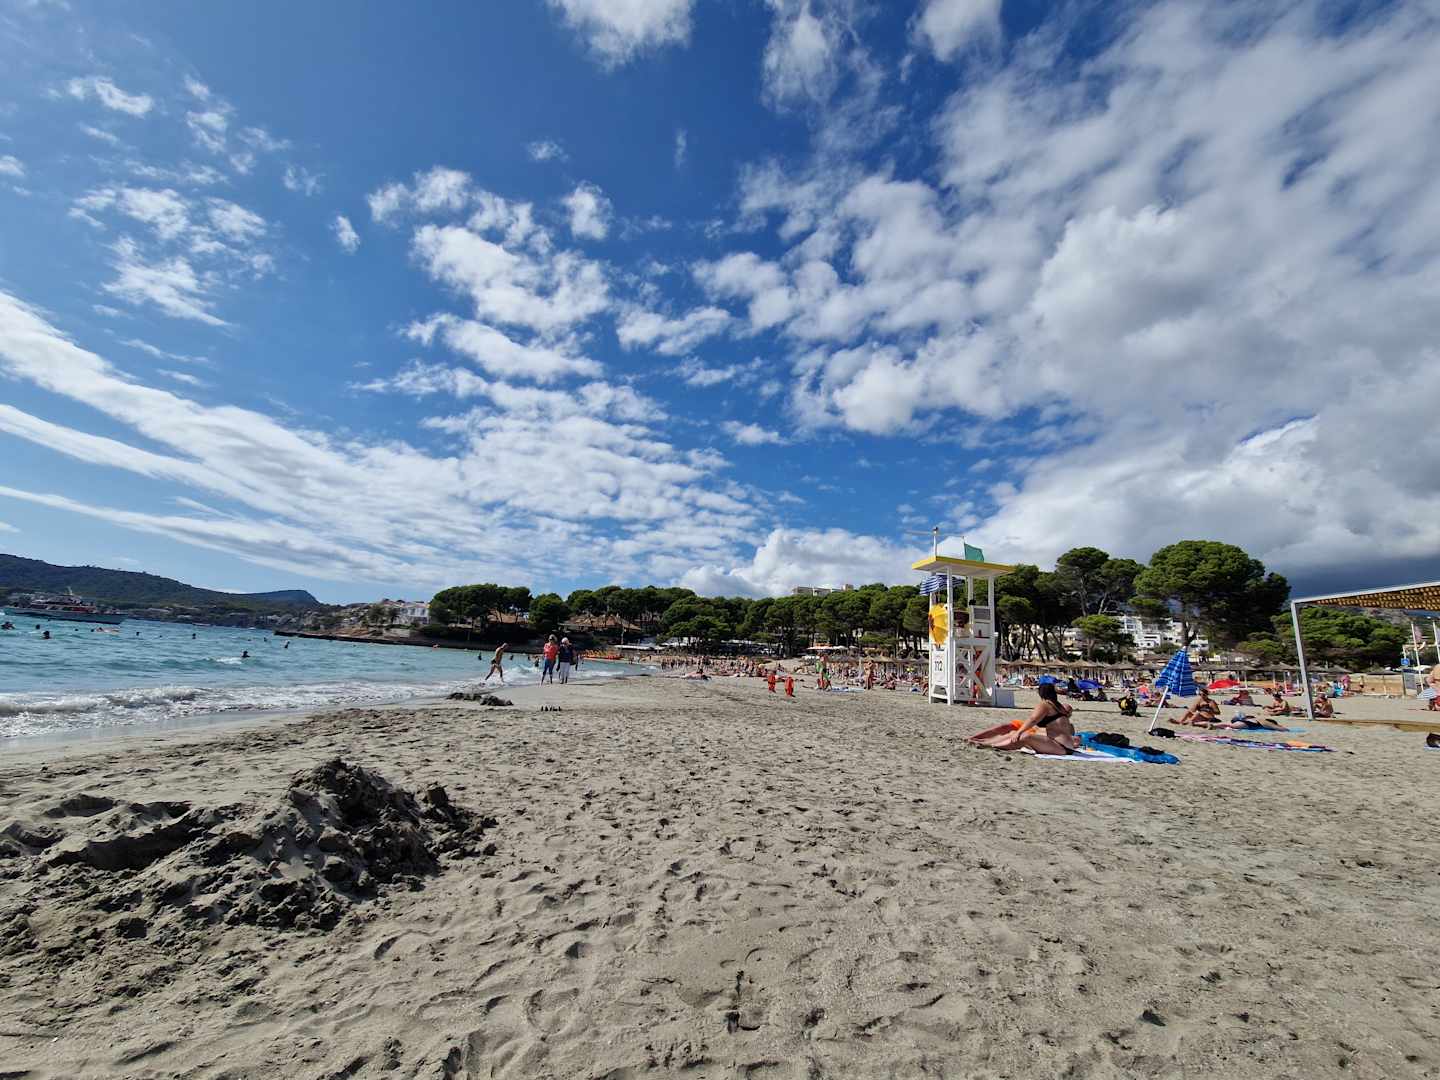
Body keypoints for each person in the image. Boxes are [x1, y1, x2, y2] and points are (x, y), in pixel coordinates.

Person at [968, 683, 1077, 755]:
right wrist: (1017, 732)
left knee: (1024, 736)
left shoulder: (1045, 704)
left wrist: (1019, 732)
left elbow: (1033, 719)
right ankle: (984, 741)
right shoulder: (1059, 706)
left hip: (1060, 747)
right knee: (1015, 733)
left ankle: (992, 745)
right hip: (1066, 746)